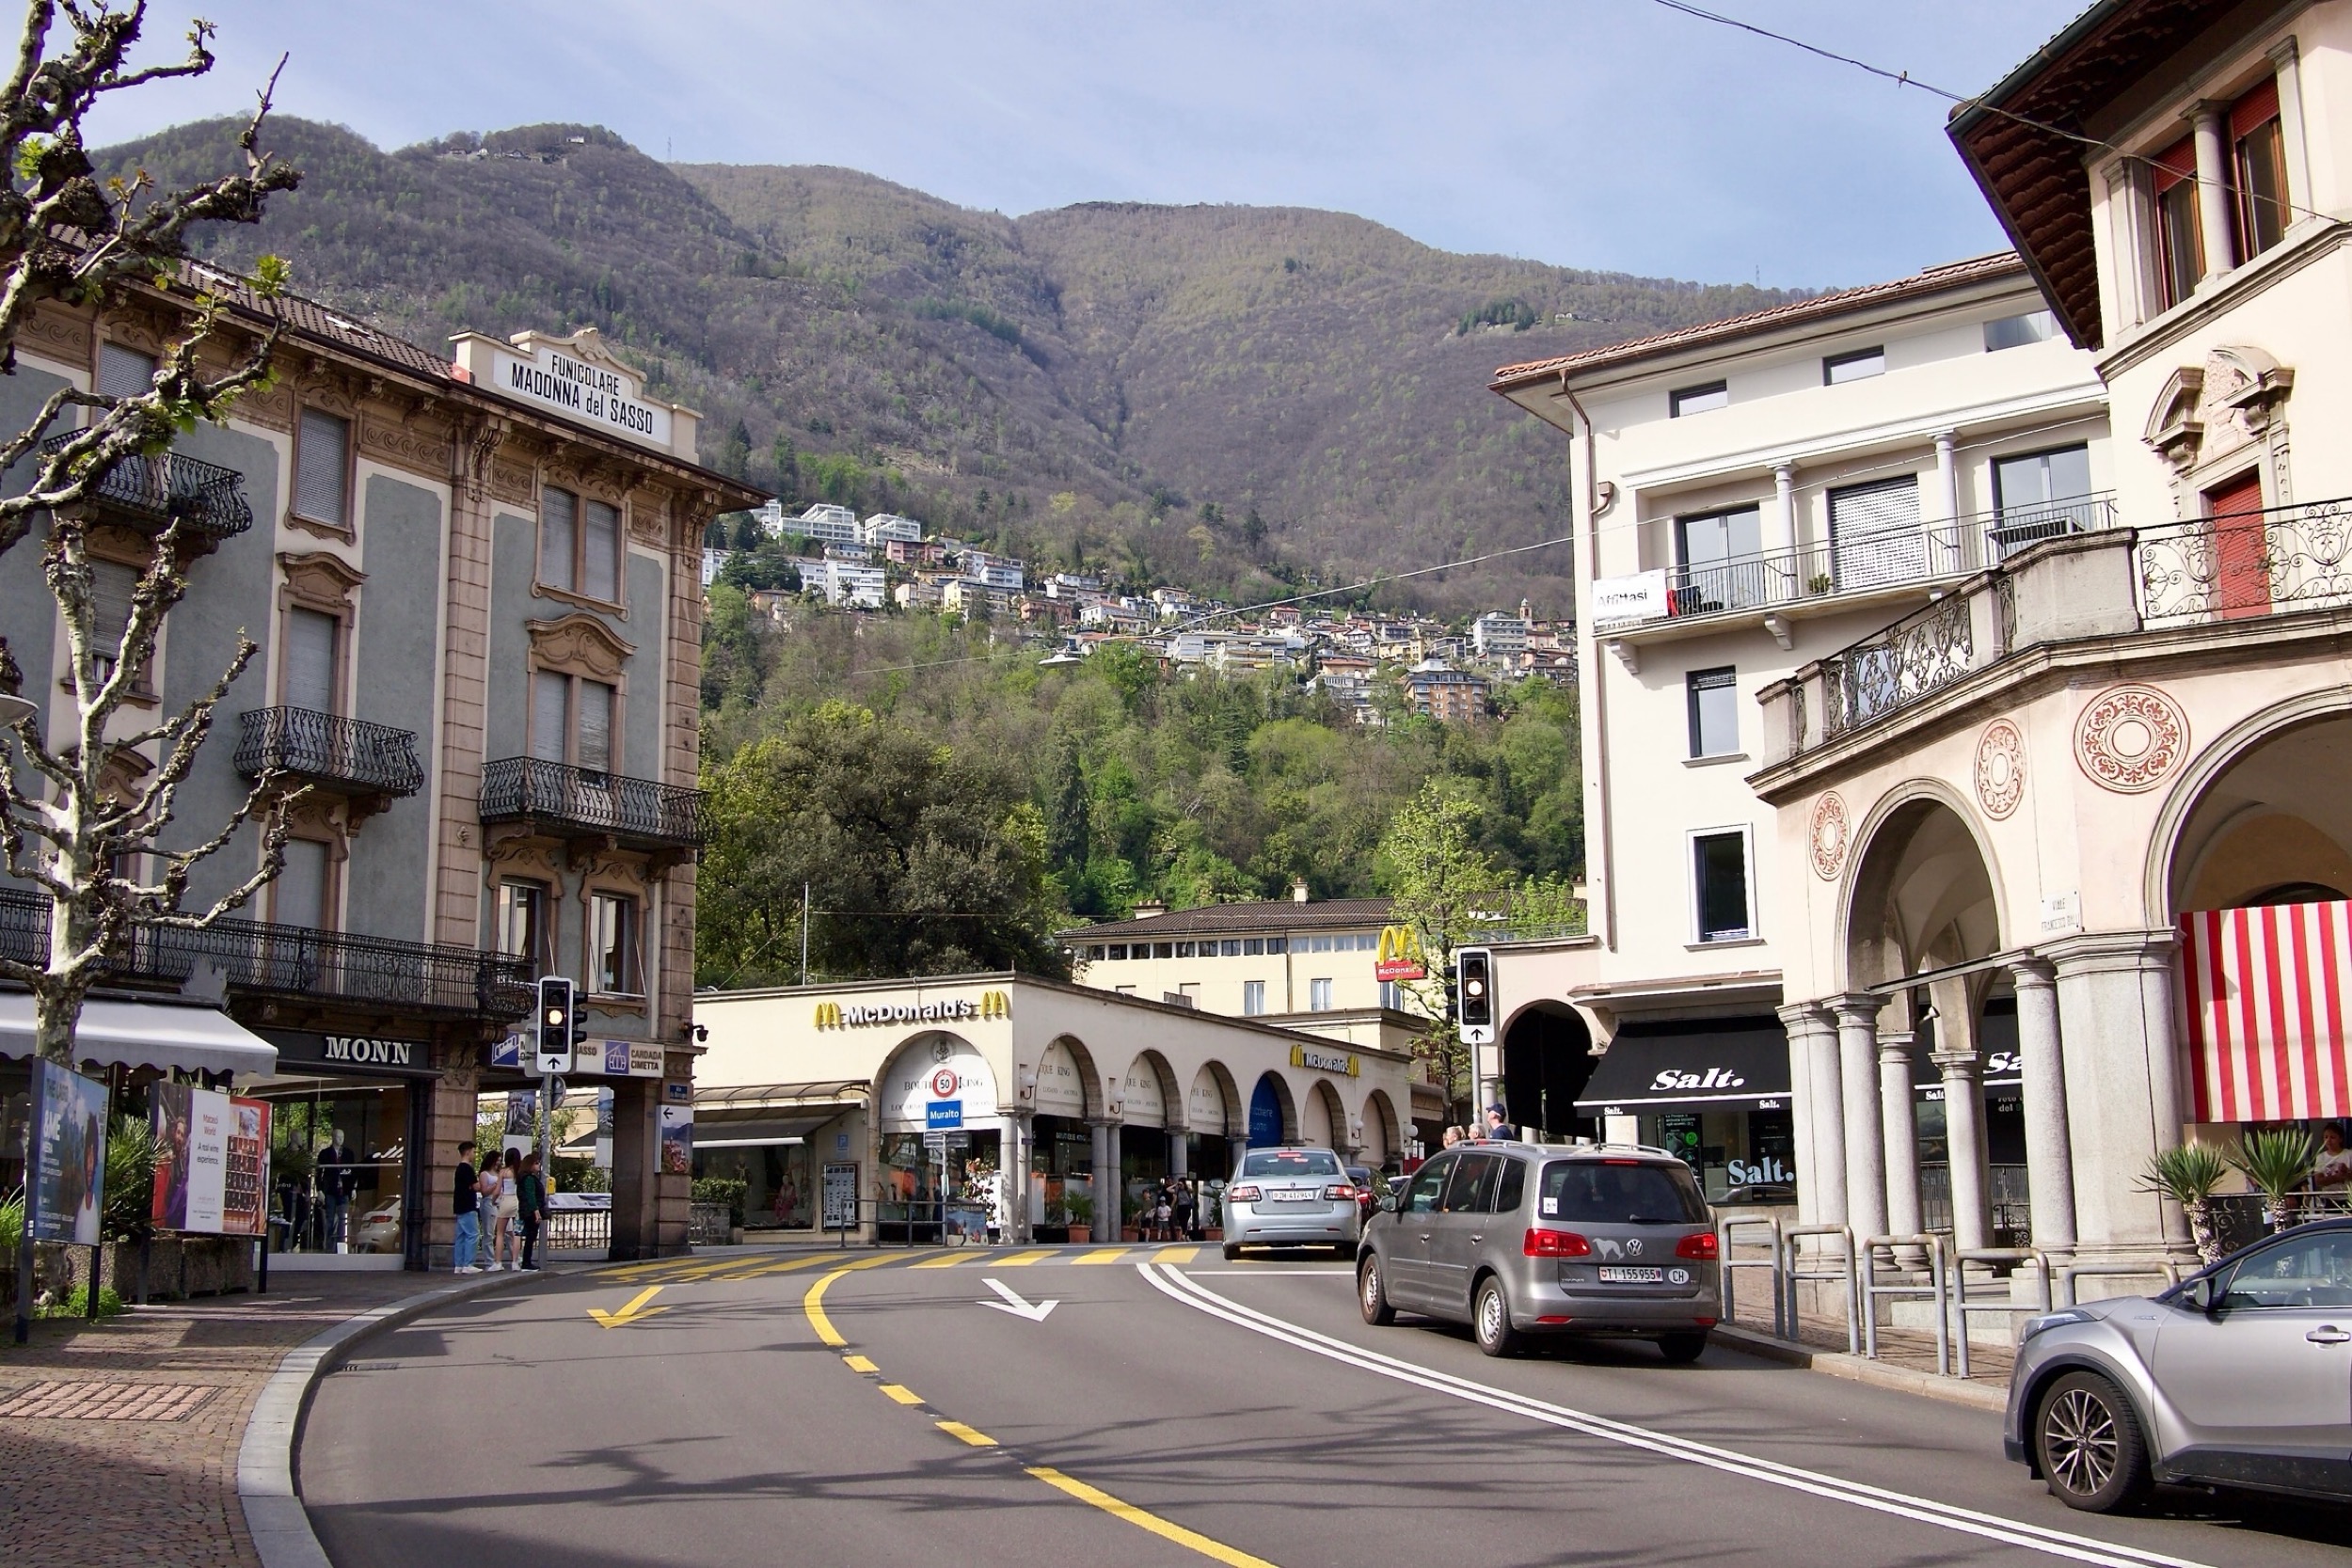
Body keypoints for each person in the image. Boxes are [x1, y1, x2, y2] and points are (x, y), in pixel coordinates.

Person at [452, 1141, 480, 1274]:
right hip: (468, 1206)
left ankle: (459, 1264)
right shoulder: (467, 1169)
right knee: (472, 1234)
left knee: (461, 1236)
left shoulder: (459, 1169)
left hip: (459, 1206)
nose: (474, 1154)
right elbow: (476, 1186)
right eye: (474, 1152)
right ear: (468, 1152)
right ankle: (468, 1263)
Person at [492, 1148, 523, 1270]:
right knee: (517, 1233)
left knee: (500, 1233)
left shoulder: (503, 1172)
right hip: (517, 1201)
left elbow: (497, 1190)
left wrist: (493, 1200)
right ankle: (515, 1262)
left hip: (506, 1200)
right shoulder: (520, 1172)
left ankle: (498, 1263)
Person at [516, 1151, 548, 1271]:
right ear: (530, 1165)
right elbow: (531, 1195)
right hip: (530, 1211)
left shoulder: (524, 1177)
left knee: (530, 1236)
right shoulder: (529, 1178)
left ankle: (526, 1261)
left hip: (527, 1210)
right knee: (531, 1236)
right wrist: (536, 1211)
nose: (538, 1166)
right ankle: (526, 1262)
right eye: (536, 1163)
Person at [2315, 1123, 2352, 1191]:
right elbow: (2318, 1181)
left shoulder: (2349, 1154)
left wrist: (2346, 1172)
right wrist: (2335, 1178)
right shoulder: (2320, 1157)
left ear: (2340, 1139)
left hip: (2347, 1195)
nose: (2328, 1140)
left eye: (2332, 1137)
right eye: (2326, 1137)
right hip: (2327, 1195)